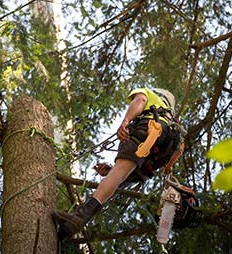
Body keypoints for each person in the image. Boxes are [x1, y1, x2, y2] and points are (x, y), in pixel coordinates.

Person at [53, 87, 183, 237]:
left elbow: (140, 100)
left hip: (149, 129)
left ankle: (79, 217)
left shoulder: (149, 93)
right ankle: (73, 224)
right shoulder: (171, 117)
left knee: (120, 171)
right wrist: (111, 172)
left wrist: (126, 121)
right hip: (163, 148)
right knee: (119, 173)